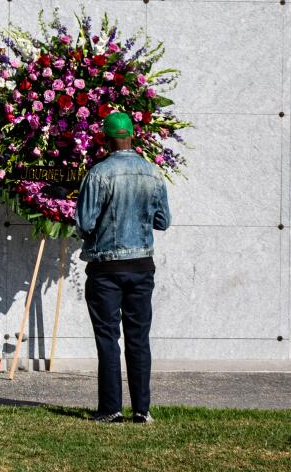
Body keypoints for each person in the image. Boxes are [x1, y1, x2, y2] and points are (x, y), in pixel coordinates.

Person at [75, 111, 171, 424]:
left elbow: (85, 223)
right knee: (138, 338)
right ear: (132, 135)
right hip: (142, 265)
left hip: (105, 266)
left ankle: (110, 408)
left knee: (108, 338)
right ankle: (142, 410)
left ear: (105, 139)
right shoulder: (153, 172)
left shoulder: (98, 174)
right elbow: (163, 221)